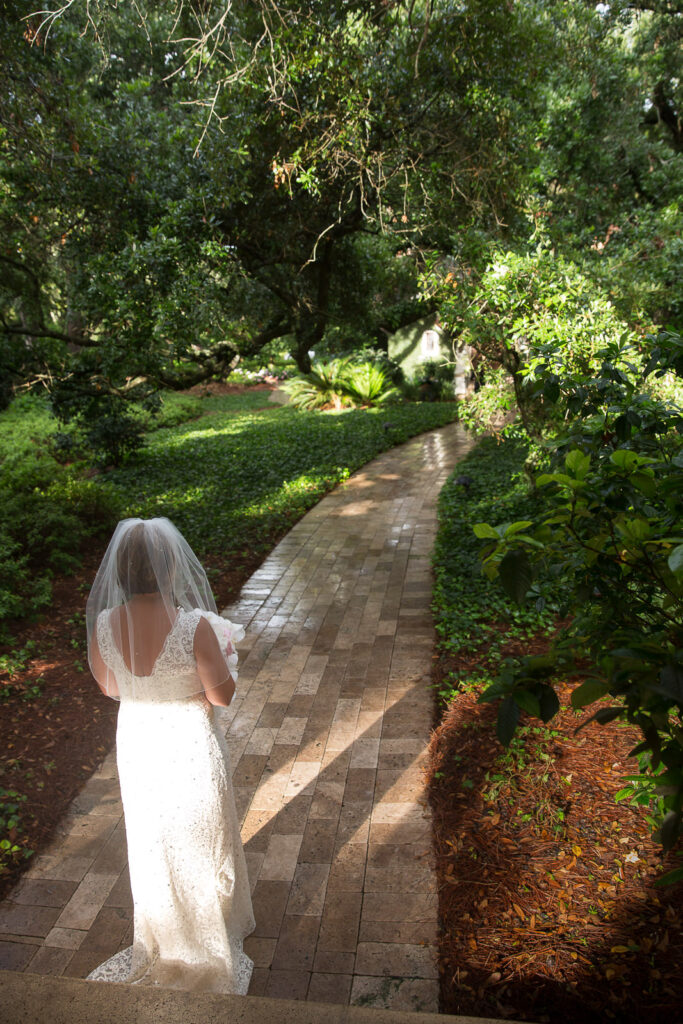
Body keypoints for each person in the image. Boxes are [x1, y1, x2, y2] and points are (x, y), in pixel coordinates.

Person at [85, 517, 254, 993]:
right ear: (171, 569)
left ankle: (166, 930)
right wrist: (226, 656)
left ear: (119, 571)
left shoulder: (104, 623)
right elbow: (221, 697)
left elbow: (111, 686)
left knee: (154, 837)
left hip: (139, 740)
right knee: (201, 833)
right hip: (187, 741)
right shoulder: (195, 627)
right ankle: (206, 930)